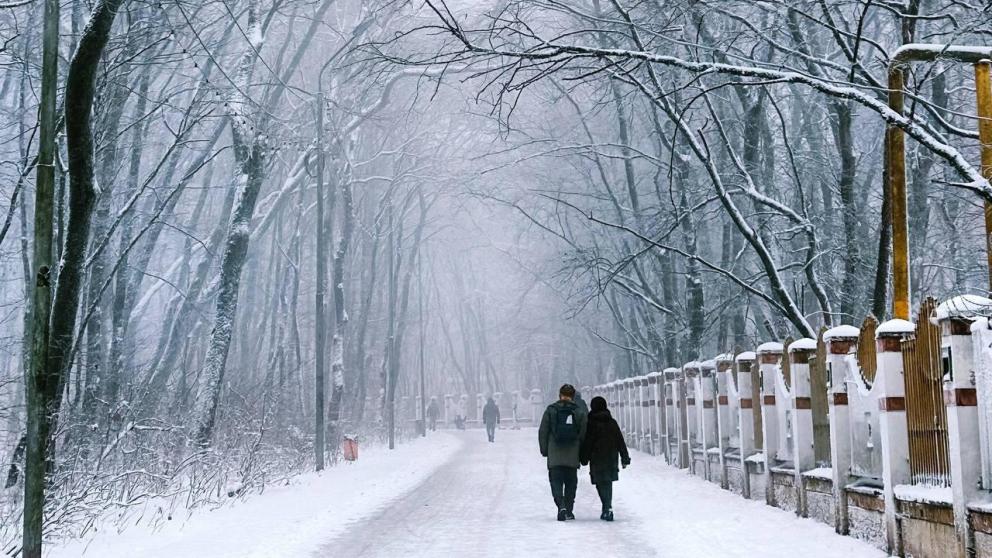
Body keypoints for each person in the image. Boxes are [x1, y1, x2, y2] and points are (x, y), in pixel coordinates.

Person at [538, 384, 587, 521]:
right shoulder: (578, 411)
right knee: (571, 483)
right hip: (572, 455)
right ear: (572, 396)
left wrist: (545, 450)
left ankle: (561, 506)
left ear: (560, 395)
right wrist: (582, 452)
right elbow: (584, 433)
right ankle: (569, 510)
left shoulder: (551, 410)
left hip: (555, 455)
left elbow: (543, 431)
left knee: (556, 482)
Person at [580, 396, 630, 522]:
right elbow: (620, 441)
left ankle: (606, 506)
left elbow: (588, 442)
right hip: (611, 457)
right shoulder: (611, 422)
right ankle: (607, 507)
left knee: (600, 483)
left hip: (596, 458)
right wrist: (625, 457)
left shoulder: (591, 423)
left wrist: (584, 458)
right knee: (608, 482)